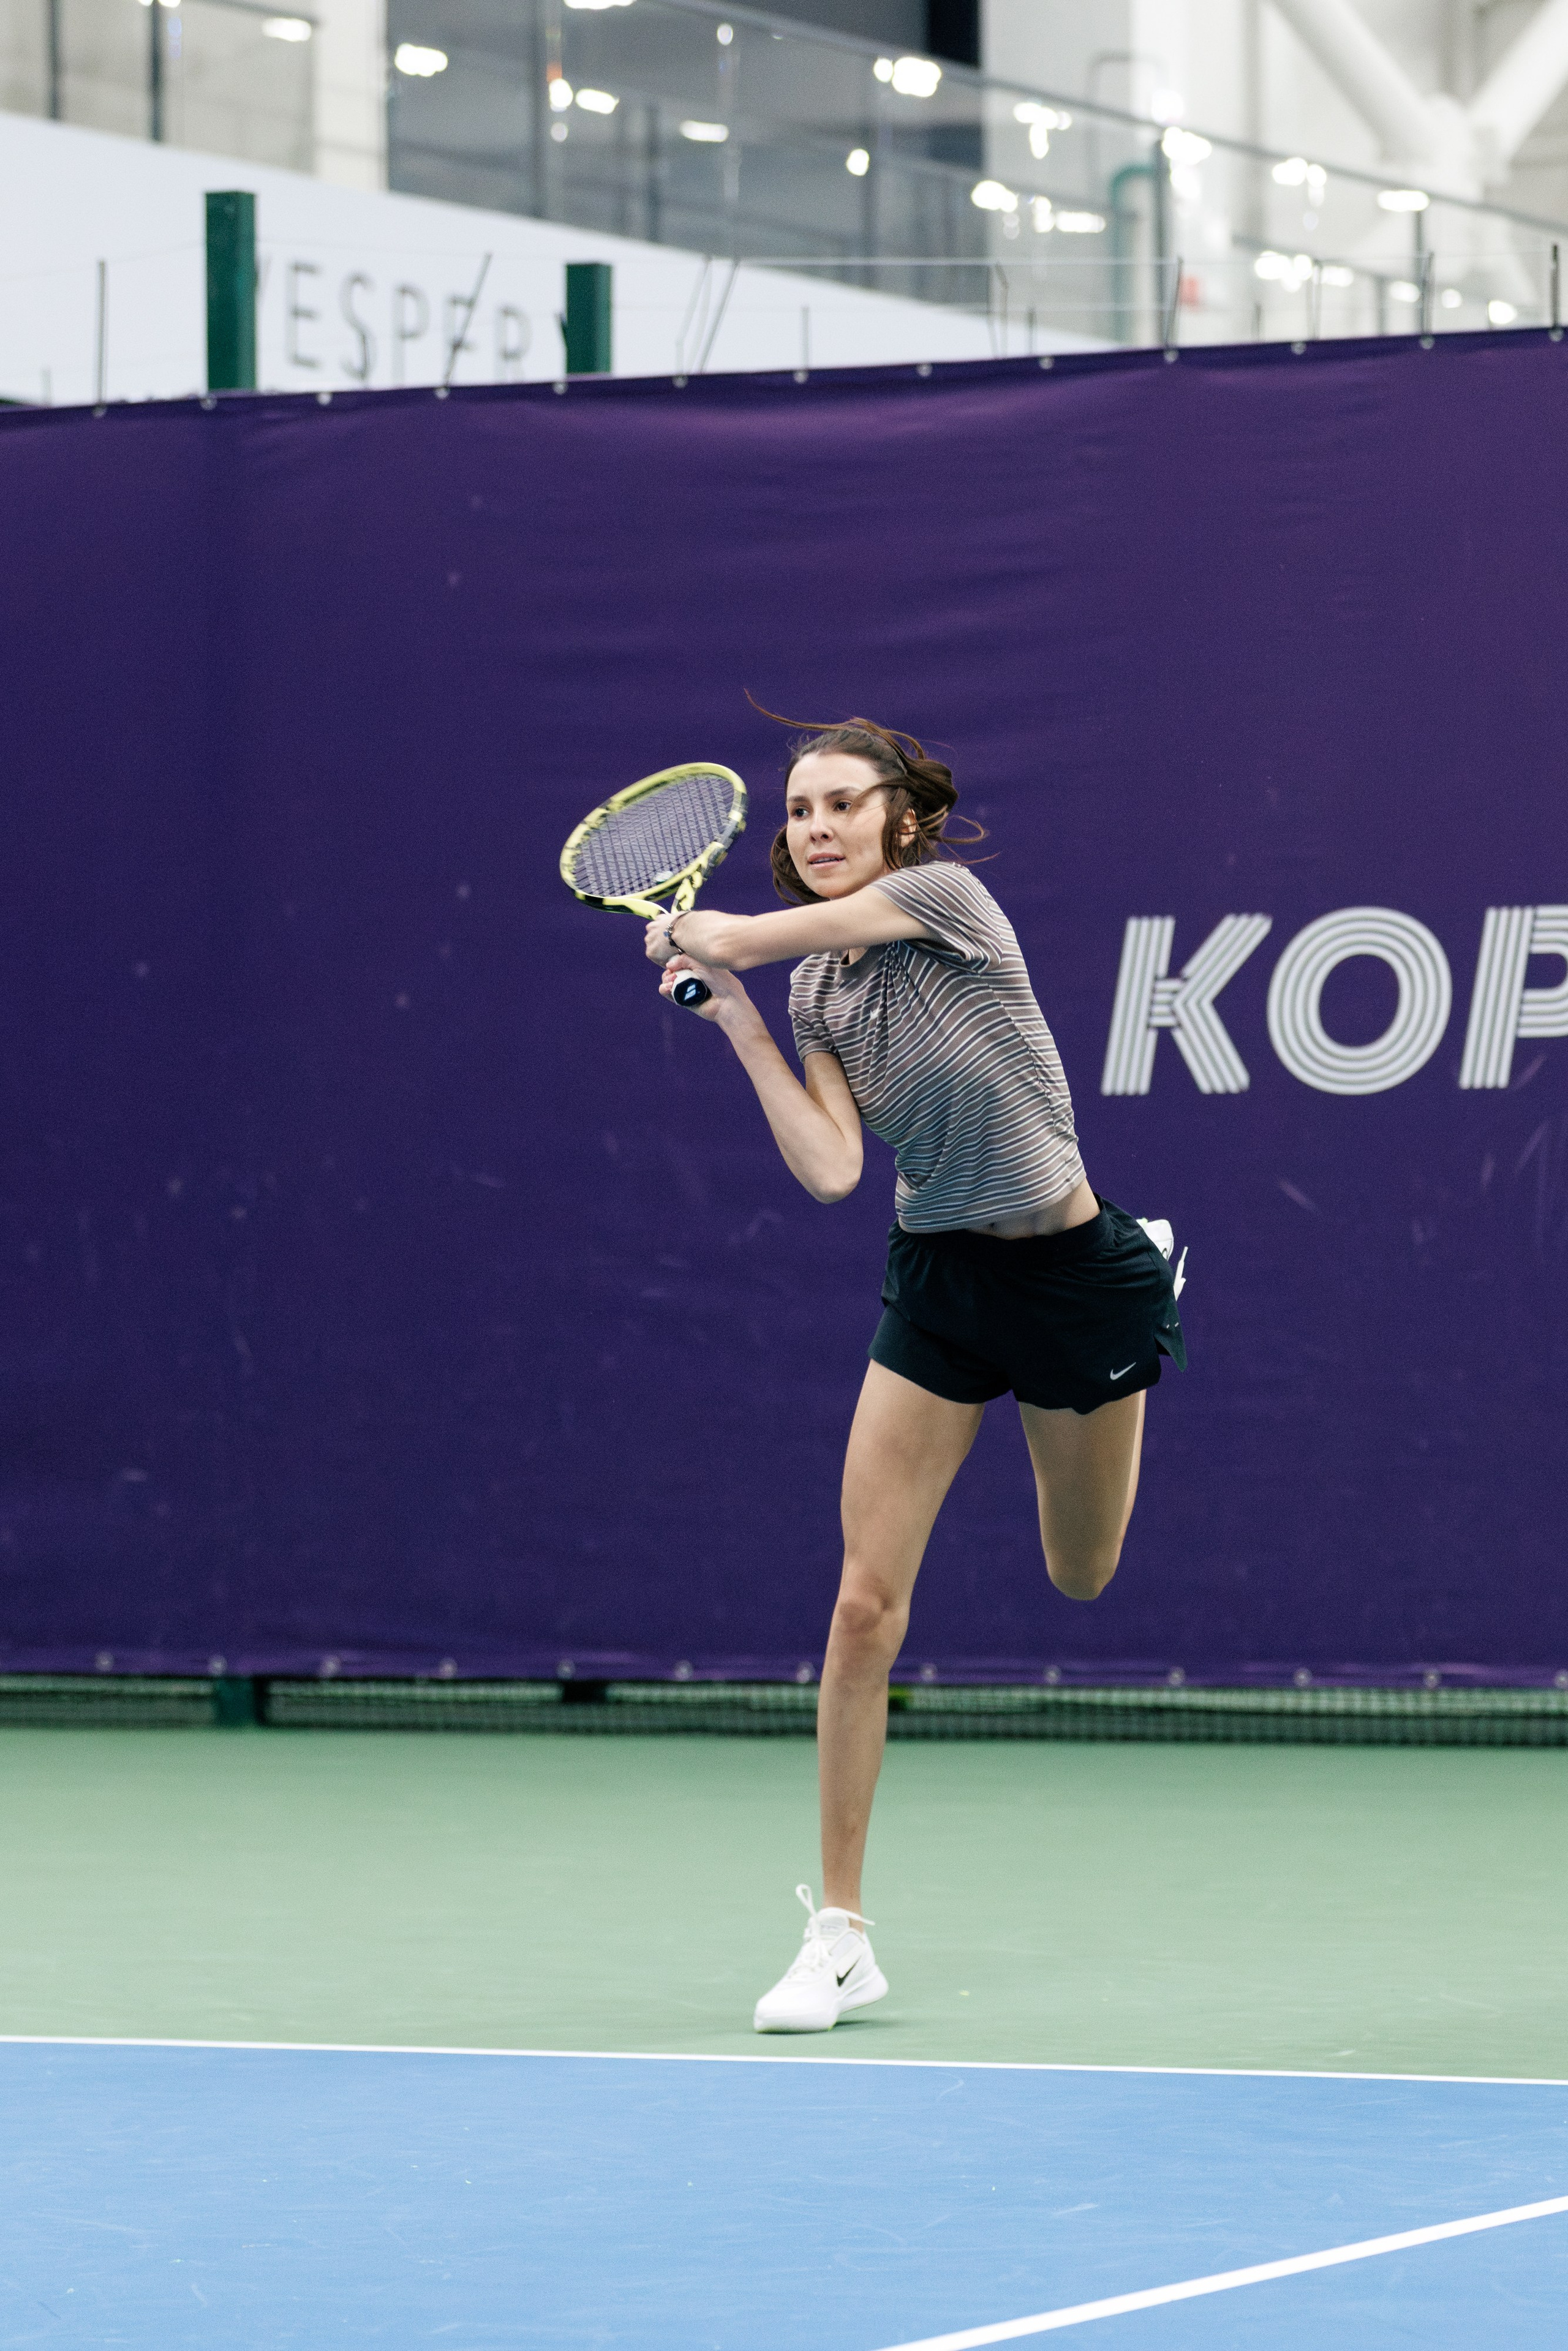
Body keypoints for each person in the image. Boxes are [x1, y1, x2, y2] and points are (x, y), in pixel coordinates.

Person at [643, 720, 1185, 2034]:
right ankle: (838, 1931)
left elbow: (748, 935)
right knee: (860, 1607)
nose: (819, 826)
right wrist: (736, 1029)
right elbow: (832, 1169)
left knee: (1081, 1570)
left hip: (1070, 1278)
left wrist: (709, 939)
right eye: (801, 810)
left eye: (843, 803)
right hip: (938, 1282)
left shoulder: (948, 905)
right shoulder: (819, 993)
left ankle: (1152, 1262)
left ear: (900, 820)